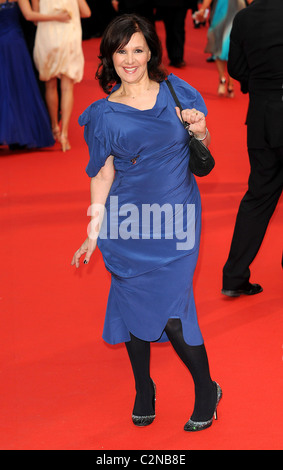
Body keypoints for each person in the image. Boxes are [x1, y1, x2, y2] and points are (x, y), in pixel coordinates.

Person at [71, 14, 222, 432]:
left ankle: (206, 389)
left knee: (174, 315)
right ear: (110, 57)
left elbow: (203, 150)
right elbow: (102, 174)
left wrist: (202, 129)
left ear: (150, 51)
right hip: (127, 224)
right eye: (121, 51)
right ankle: (144, 388)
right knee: (132, 305)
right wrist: (93, 230)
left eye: (138, 49)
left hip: (176, 220)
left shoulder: (177, 91)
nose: (130, 59)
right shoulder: (103, 114)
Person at [221, 0, 283, 297]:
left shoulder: (244, 18)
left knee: (258, 197)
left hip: (261, 120)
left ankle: (234, 276)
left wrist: (256, 85)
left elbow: (236, 67)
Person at [0, 0, 70, 149]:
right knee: (18, 88)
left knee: (5, 88)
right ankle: (19, 134)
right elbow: (30, 15)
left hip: (12, 42)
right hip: (14, 43)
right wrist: (57, 17)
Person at [32, 0, 91, 152]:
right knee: (67, 87)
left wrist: (51, 16)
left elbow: (35, 19)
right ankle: (64, 133)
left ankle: (54, 128)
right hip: (69, 35)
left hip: (47, 35)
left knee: (50, 85)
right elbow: (86, 12)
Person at [196, 0, 246, 97]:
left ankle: (229, 82)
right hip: (220, 11)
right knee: (218, 45)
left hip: (237, 10)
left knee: (232, 46)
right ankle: (222, 79)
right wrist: (202, 9)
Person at [154, 0, 189, 68]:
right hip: (166, 4)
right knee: (169, 28)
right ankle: (173, 56)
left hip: (181, 4)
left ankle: (178, 57)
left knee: (178, 28)